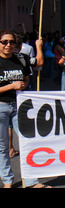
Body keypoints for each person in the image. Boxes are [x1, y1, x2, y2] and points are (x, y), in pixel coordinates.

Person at [0, 30, 50, 188]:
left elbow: (36, 67)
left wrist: (39, 46)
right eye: (4, 42)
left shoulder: (21, 59)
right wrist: (11, 86)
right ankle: (7, 181)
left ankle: (31, 181)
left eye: (11, 42)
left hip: (19, 106)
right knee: (2, 146)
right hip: (1, 106)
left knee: (27, 141)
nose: (8, 45)